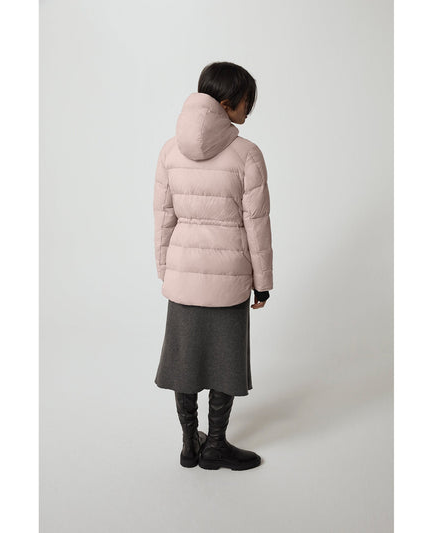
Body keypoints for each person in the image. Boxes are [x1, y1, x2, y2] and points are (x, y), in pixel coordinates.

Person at [153, 61, 273, 471]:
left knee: (184, 361)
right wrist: (262, 281)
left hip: (183, 276)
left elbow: (163, 218)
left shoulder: (169, 150)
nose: (248, 110)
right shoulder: (247, 154)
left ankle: (190, 444)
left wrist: (166, 270)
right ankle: (216, 444)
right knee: (225, 361)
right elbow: (257, 223)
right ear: (225, 104)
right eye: (245, 102)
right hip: (230, 277)